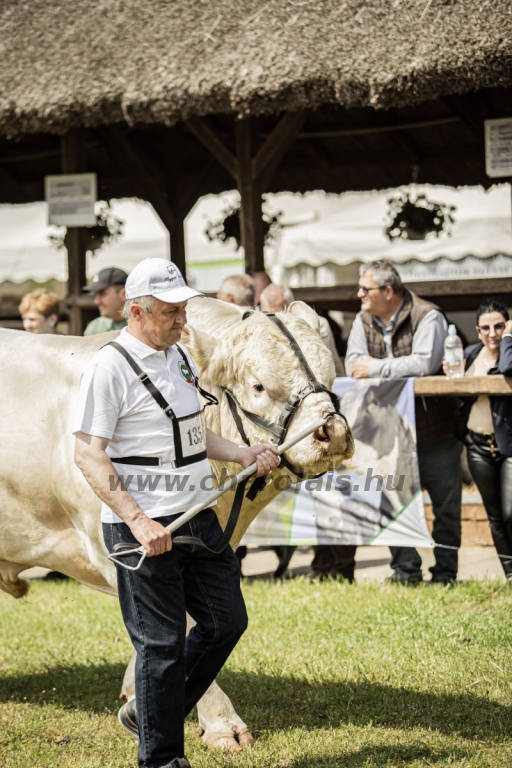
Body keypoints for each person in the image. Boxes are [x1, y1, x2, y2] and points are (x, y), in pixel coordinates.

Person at [73, 257, 279, 768]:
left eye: (184, 308)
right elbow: (87, 453)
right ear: (136, 311)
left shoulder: (178, 356)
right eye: (170, 311)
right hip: (144, 529)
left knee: (226, 622)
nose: (182, 319)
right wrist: (140, 521)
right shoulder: (108, 366)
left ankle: (150, 711)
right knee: (161, 648)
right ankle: (162, 759)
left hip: (197, 515)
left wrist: (241, 453)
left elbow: (189, 432)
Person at [346, 260, 461, 585]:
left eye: (365, 289)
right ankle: (405, 572)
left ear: (388, 291)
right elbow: (354, 363)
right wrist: (385, 367)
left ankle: (445, 574)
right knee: (393, 502)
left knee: (446, 508)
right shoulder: (362, 319)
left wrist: (378, 367)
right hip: (389, 433)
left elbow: (424, 363)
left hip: (434, 430)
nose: (359, 294)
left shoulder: (429, 315)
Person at [260, 283, 352, 580]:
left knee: (333, 498)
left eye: (269, 311)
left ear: (284, 305)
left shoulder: (314, 326)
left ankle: (340, 568)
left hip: (326, 418)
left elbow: (331, 370)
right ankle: (319, 565)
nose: (267, 319)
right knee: (309, 499)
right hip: (298, 426)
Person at [453, 301, 512, 582]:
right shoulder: (469, 354)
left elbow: (507, 366)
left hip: (509, 446)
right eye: (486, 328)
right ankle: (510, 575)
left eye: (499, 326)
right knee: (494, 517)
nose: (493, 333)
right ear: (477, 331)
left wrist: (510, 338)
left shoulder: (510, 352)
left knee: (510, 513)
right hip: (477, 446)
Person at [260, 284, 345, 376]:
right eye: (267, 315)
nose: (273, 322)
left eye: (277, 315)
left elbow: (320, 366)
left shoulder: (316, 324)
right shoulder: (259, 328)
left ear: (291, 308)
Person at [82, 267, 128, 335]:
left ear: (124, 294)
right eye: (96, 295)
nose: (96, 301)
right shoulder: (95, 327)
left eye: (103, 294)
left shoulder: (142, 325)